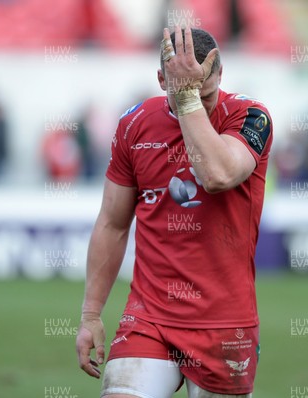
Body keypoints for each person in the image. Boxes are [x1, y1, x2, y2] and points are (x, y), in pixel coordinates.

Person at [75, 26, 273, 398]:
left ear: (221, 73)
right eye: (183, 92)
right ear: (160, 79)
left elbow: (218, 175)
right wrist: (90, 314)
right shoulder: (134, 124)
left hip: (224, 322)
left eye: (208, 94)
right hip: (149, 316)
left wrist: (186, 100)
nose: (201, 103)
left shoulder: (251, 117)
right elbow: (112, 224)